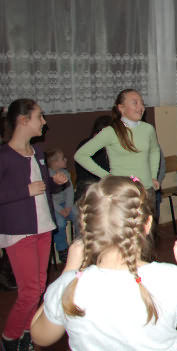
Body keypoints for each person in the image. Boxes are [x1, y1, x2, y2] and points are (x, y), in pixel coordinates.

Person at [30, 175, 177, 350]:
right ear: (147, 224)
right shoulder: (170, 279)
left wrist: (69, 270)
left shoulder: (69, 285)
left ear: (84, 227)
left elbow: (40, 336)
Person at [1, 99, 67, 351]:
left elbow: (42, 188)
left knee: (38, 287)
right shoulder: (4, 156)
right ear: (23, 120)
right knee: (29, 291)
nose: (44, 122)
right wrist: (24, 191)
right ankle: (10, 337)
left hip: (42, 227)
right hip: (19, 231)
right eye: (40, 117)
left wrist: (54, 183)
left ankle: (27, 331)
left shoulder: (38, 152)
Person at [74, 89, 161, 208]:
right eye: (135, 103)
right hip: (122, 192)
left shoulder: (148, 129)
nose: (141, 107)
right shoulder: (110, 132)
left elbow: (154, 151)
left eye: (142, 103)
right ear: (121, 108)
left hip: (147, 190)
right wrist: (107, 176)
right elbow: (81, 155)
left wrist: (153, 176)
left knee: (148, 221)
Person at [45, 149, 78, 264]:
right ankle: (62, 248)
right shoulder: (47, 175)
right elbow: (48, 197)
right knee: (60, 223)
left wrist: (68, 206)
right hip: (53, 206)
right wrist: (60, 210)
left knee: (79, 216)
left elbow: (70, 192)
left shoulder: (65, 173)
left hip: (66, 203)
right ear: (55, 162)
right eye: (63, 158)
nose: (66, 160)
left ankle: (78, 244)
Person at [73, 115, 112, 202]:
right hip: (88, 190)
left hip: (105, 188)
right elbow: (85, 178)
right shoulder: (86, 146)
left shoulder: (110, 146)